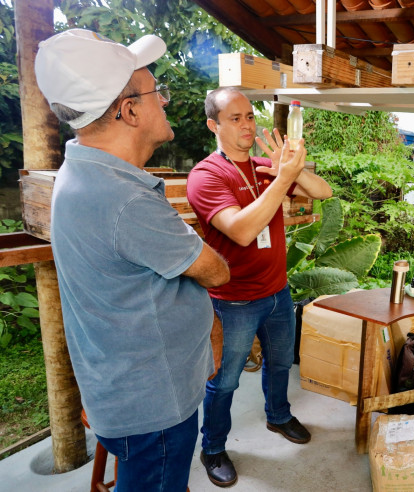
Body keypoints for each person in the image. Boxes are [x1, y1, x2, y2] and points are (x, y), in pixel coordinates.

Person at [35, 29, 230, 490]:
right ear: (129, 110)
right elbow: (216, 270)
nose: (163, 100)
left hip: (121, 388)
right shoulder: (125, 200)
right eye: (155, 91)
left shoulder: (81, 169)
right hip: (153, 406)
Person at [186, 87, 332, 487]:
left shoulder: (267, 167)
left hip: (277, 292)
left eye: (250, 116)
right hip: (232, 302)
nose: (247, 125)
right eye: (235, 119)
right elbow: (244, 231)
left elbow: (323, 192)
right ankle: (213, 446)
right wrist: (282, 177)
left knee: (281, 362)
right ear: (213, 125)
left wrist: (291, 170)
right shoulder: (206, 175)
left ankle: (279, 416)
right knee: (226, 379)